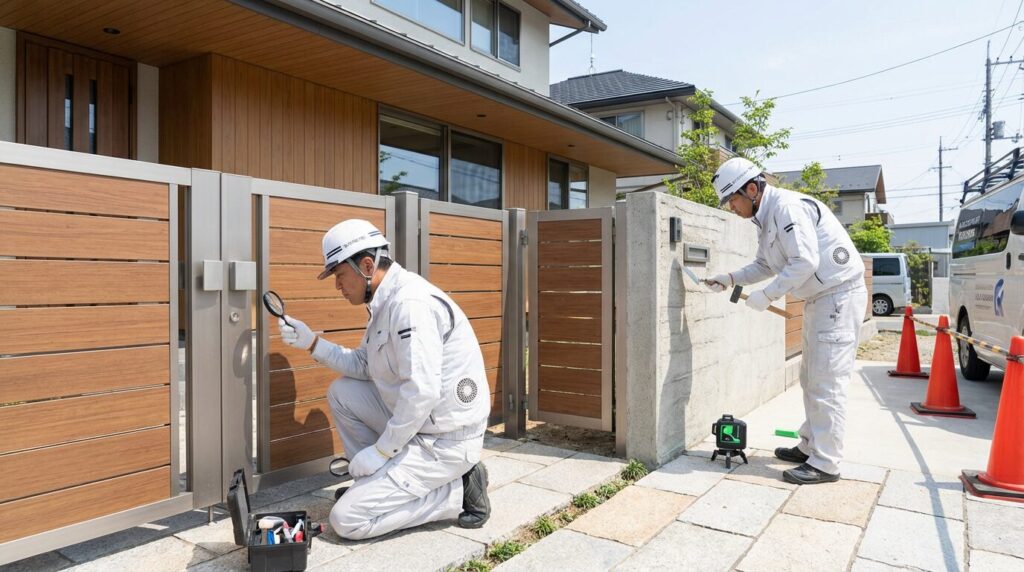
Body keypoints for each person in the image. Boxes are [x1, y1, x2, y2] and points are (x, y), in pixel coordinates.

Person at [277, 219, 491, 539]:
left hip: (444, 441)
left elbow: (421, 392)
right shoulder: (385, 301)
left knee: (347, 521)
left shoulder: (409, 304)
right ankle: (373, 484)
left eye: (339, 275)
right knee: (343, 392)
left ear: (366, 265)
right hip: (420, 425)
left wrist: (381, 452)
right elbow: (364, 364)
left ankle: (458, 491)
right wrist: (312, 343)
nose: (337, 286)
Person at [704, 157, 867, 485]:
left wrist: (767, 296)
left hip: (838, 296)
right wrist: (731, 278)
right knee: (811, 377)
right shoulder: (765, 217)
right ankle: (810, 446)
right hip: (821, 299)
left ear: (752, 189)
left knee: (826, 380)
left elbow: (805, 261)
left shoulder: (787, 207)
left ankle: (826, 462)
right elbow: (765, 264)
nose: (731, 207)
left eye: (733, 199)